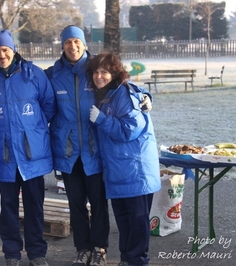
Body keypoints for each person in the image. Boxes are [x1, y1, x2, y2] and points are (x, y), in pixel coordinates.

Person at [45, 25, 152, 266]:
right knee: (76, 204)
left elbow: (124, 84)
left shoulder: (97, 68)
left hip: (96, 149)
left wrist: (146, 95)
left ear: (83, 44)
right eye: (67, 42)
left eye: (76, 41)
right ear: (61, 46)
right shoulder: (52, 74)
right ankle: (82, 248)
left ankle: (99, 249)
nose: (72, 46)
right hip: (69, 151)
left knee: (99, 203)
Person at [0, 30, 56, 266]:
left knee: (34, 207)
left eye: (5, 50)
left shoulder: (33, 74)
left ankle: (37, 254)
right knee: (8, 207)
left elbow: (49, 104)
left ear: (13, 50)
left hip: (33, 155)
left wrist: (35, 129)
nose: (1, 55)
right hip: (5, 154)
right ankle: (11, 254)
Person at [86, 51, 161, 266]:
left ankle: (136, 261)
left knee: (136, 221)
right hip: (119, 170)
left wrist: (102, 120)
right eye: (95, 72)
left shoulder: (123, 94)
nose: (99, 76)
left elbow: (129, 130)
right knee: (124, 219)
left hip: (135, 171)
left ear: (115, 73)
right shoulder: (107, 95)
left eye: (104, 72)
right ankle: (127, 259)